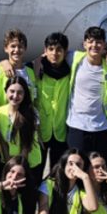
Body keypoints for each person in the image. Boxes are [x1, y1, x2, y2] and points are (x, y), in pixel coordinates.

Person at [65, 26, 107, 165]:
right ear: (84, 44)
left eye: (98, 42)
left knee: (98, 170)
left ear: (104, 45)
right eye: (90, 41)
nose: (94, 45)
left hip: (102, 127)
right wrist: (5, 63)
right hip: (77, 126)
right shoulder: (74, 58)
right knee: (76, 168)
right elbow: (47, 57)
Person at [0, 76, 44, 214]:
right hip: (10, 162)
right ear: (6, 92)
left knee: (28, 199)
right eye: (12, 91)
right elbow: (2, 140)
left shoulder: (31, 113)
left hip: (29, 163)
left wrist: (20, 166)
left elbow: (26, 145)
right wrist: (8, 162)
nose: (15, 96)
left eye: (20, 93)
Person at [35, 32, 72, 171]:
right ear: (45, 51)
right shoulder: (35, 68)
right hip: (40, 132)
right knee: (36, 172)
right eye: (51, 49)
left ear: (65, 52)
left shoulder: (71, 71)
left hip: (61, 132)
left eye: (59, 49)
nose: (55, 53)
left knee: (58, 173)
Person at [0, 29, 39, 108]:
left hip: (26, 117)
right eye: (13, 46)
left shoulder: (31, 73)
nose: (16, 50)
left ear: (25, 49)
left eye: (20, 46)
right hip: (4, 118)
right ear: (6, 48)